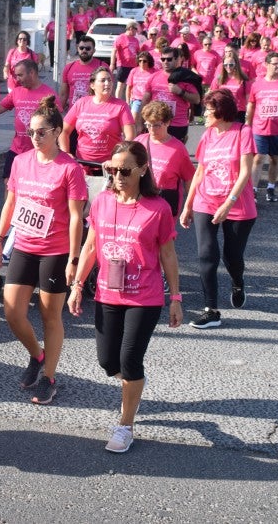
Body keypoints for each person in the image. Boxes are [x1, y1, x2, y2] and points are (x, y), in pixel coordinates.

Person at [69, 140, 183, 453]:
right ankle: (133, 383)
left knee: (130, 360)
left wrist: (176, 297)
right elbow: (91, 246)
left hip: (144, 297)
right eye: (112, 169)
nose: (118, 175)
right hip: (107, 292)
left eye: (125, 170)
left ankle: (125, 425)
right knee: (109, 362)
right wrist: (78, 285)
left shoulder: (158, 208)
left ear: (143, 169)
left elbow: (168, 255)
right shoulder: (103, 201)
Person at [0, 96, 87, 405]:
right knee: (12, 311)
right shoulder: (20, 161)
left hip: (55, 251)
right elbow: (10, 203)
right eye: (31, 131)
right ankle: (37, 354)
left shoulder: (69, 168)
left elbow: (75, 217)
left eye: (41, 131)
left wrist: (74, 259)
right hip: (24, 245)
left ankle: (49, 377)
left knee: (50, 317)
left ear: (57, 131)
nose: (34, 137)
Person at [180, 89, 257, 329]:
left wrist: (228, 203)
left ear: (221, 112)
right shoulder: (207, 136)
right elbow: (200, 172)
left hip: (237, 204)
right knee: (206, 254)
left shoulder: (243, 132)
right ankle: (211, 310)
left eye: (209, 111)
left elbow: (245, 172)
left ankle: (237, 282)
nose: (204, 115)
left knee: (232, 256)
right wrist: (188, 204)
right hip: (207, 200)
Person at [0, 59, 57, 186]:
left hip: (38, 151)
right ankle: (8, 207)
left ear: (32, 73)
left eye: (20, 75)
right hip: (16, 149)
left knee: (33, 186)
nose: (17, 79)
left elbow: (57, 124)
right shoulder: (16, 92)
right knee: (9, 182)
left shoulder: (48, 95)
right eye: (15, 75)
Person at [246, 51, 278, 203]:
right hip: (259, 128)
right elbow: (251, 105)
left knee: (275, 159)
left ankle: (270, 187)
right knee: (258, 158)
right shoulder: (257, 84)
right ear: (267, 65)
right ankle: (254, 191)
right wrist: (248, 124)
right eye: (275, 63)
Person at [61, 68, 136, 169]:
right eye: (103, 80)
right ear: (92, 85)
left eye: (109, 80)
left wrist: (116, 160)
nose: (107, 83)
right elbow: (63, 131)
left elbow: (130, 137)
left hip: (108, 168)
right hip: (82, 165)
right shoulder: (81, 103)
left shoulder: (121, 106)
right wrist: (66, 153)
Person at [135, 101, 195, 217]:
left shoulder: (178, 149)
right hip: (142, 199)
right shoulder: (139, 141)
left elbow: (189, 179)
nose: (152, 129)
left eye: (156, 125)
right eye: (148, 124)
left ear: (168, 122)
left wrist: (189, 207)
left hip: (166, 201)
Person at [139, 47, 201, 143]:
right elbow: (145, 101)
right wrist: (140, 122)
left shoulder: (185, 77)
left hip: (177, 125)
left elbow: (196, 99)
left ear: (177, 59)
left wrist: (180, 92)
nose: (166, 62)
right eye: (163, 59)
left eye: (169, 59)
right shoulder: (153, 77)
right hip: (156, 123)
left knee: (175, 155)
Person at [59, 36, 108, 111]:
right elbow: (63, 94)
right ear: (78, 49)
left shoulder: (103, 67)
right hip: (74, 113)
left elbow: (108, 92)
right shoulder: (69, 67)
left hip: (96, 112)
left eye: (88, 48)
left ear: (94, 50)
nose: (84, 50)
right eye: (81, 48)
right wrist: (58, 113)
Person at [211, 48, 251, 123]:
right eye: (226, 65)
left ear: (236, 64)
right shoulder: (218, 79)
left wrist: (248, 117)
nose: (228, 67)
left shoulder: (244, 80)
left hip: (238, 113)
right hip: (222, 111)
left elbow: (248, 101)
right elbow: (213, 96)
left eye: (231, 64)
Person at [111, 22, 141, 102]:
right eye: (136, 29)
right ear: (131, 28)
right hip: (123, 65)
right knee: (121, 84)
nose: (137, 31)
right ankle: (118, 101)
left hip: (133, 66)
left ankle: (130, 102)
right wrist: (112, 64)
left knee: (132, 85)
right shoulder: (121, 37)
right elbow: (114, 51)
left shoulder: (136, 40)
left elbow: (138, 52)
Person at [127, 51, 156, 122]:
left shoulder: (155, 72)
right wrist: (128, 101)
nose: (142, 63)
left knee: (147, 122)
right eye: (140, 61)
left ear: (149, 61)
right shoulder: (134, 71)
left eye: (144, 61)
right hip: (137, 100)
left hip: (150, 101)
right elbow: (129, 87)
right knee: (133, 120)